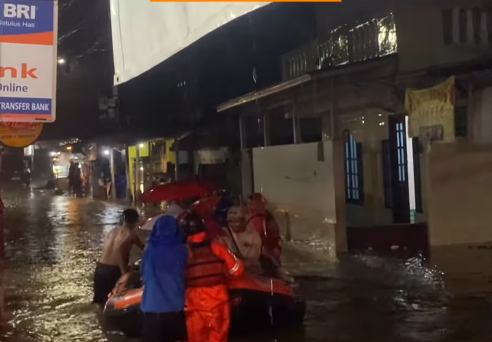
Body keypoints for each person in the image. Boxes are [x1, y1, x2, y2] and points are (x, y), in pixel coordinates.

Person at [182, 213, 244, 342]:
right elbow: (238, 270)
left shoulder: (183, 251)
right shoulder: (217, 247)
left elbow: (176, 278)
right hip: (219, 304)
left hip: (195, 306)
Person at [141, 214, 189, 342]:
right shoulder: (183, 249)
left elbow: (144, 274)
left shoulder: (149, 250)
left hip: (152, 306)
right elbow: (185, 272)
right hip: (175, 307)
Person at [93, 209, 144, 305]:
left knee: (100, 303)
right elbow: (117, 250)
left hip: (100, 268)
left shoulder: (113, 231)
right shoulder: (130, 234)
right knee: (112, 302)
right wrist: (123, 270)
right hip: (113, 270)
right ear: (136, 221)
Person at [220, 205, 262, 272]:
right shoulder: (222, 233)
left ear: (244, 220)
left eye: (236, 221)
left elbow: (253, 258)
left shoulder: (254, 235)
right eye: (230, 221)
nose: (233, 224)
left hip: (248, 270)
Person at [246, 193, 282, 264]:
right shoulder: (262, 216)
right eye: (248, 204)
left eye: (250, 203)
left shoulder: (263, 219)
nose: (248, 206)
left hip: (263, 255)